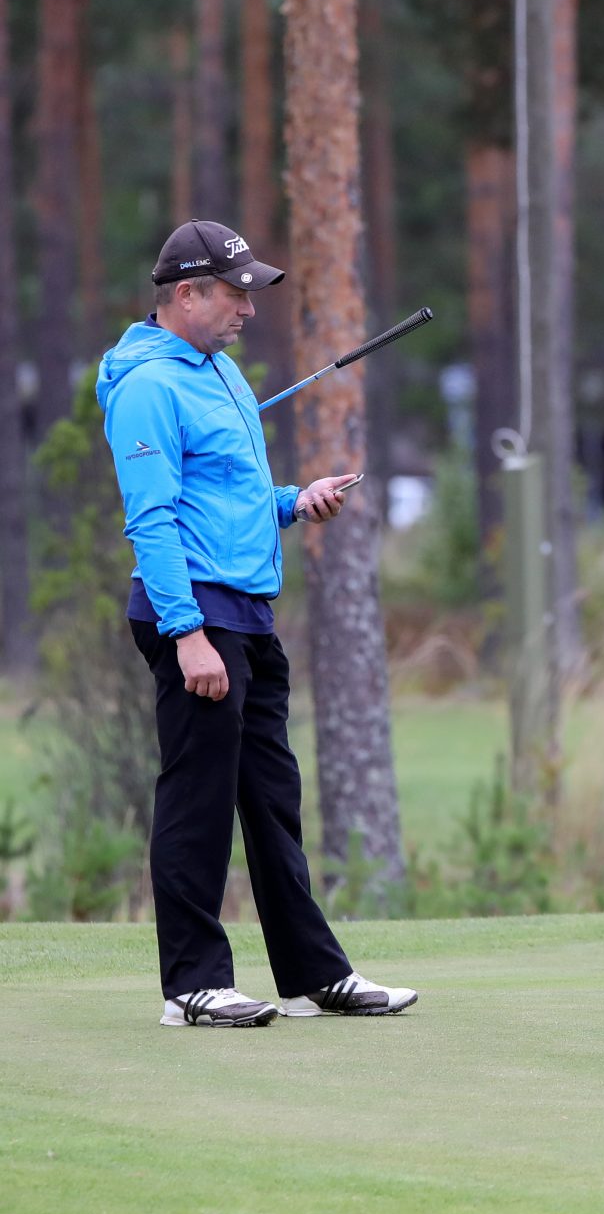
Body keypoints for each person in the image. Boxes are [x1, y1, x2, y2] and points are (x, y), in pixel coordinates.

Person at [98, 219, 417, 1028]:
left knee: (272, 801)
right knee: (197, 801)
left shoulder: (222, 374)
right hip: (194, 615)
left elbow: (226, 497)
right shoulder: (148, 386)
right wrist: (187, 634)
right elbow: (153, 519)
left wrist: (294, 502)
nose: (248, 308)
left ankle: (314, 974)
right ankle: (192, 985)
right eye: (236, 294)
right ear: (187, 294)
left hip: (244, 611)